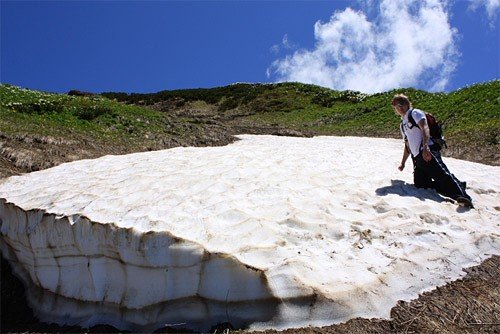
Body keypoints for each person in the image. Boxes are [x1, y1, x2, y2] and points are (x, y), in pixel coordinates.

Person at [391, 94, 473, 208]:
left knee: (442, 175)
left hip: (427, 151)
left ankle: (463, 198)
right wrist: (403, 163)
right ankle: (458, 184)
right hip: (417, 158)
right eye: (396, 105)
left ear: (407, 103)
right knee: (421, 184)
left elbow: (425, 128)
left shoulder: (415, 113)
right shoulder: (402, 125)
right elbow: (407, 145)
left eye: (402, 103)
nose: (399, 107)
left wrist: (426, 147)